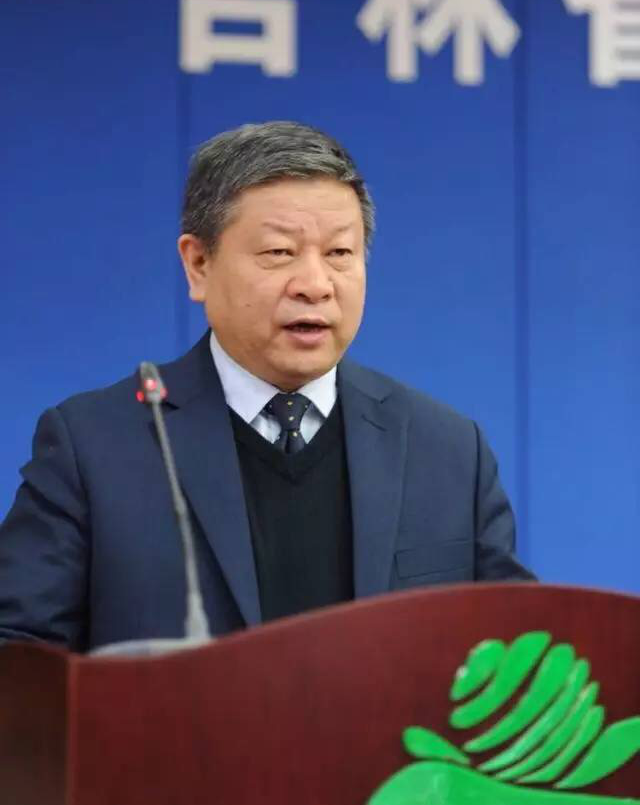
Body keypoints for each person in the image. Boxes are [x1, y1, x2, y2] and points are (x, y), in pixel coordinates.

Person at [0, 121, 532, 652]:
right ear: (198, 264)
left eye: (340, 253)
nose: (315, 285)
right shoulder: (95, 447)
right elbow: (19, 654)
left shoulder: (446, 450)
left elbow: (520, 653)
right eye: (279, 252)